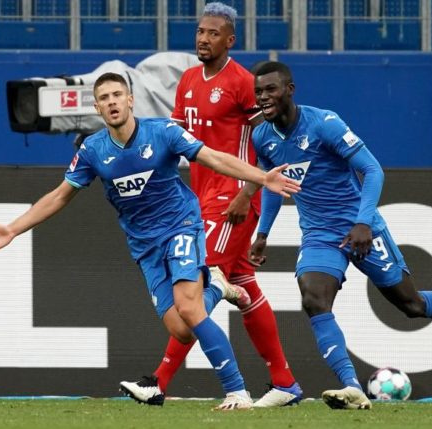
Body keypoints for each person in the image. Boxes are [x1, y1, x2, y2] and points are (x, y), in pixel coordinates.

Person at [0, 72, 300, 411]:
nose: (112, 102)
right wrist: (12, 229)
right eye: (104, 98)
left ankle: (236, 392)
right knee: (181, 328)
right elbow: (59, 196)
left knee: (190, 307)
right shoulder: (93, 150)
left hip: (181, 227)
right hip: (145, 245)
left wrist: (262, 178)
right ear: (97, 107)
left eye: (117, 95)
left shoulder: (163, 132)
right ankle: (217, 286)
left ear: (130, 100)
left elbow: (214, 157)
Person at [247, 61, 432, 410]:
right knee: (314, 298)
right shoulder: (262, 137)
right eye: (258, 92)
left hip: (360, 227)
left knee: (410, 304)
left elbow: (372, 170)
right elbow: (274, 185)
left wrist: (363, 222)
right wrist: (263, 233)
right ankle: (352, 387)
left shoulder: (324, 124)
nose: (263, 97)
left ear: (290, 89)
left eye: (270, 89)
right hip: (319, 234)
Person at [120, 2, 302, 408]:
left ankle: (158, 381)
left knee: (199, 287)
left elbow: (266, 143)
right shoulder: (187, 79)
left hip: (233, 198)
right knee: (244, 285)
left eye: (213, 33)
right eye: (201, 32)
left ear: (229, 40)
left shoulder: (243, 82)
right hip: (200, 197)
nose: (203, 39)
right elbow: (175, 138)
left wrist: (247, 192)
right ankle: (285, 382)